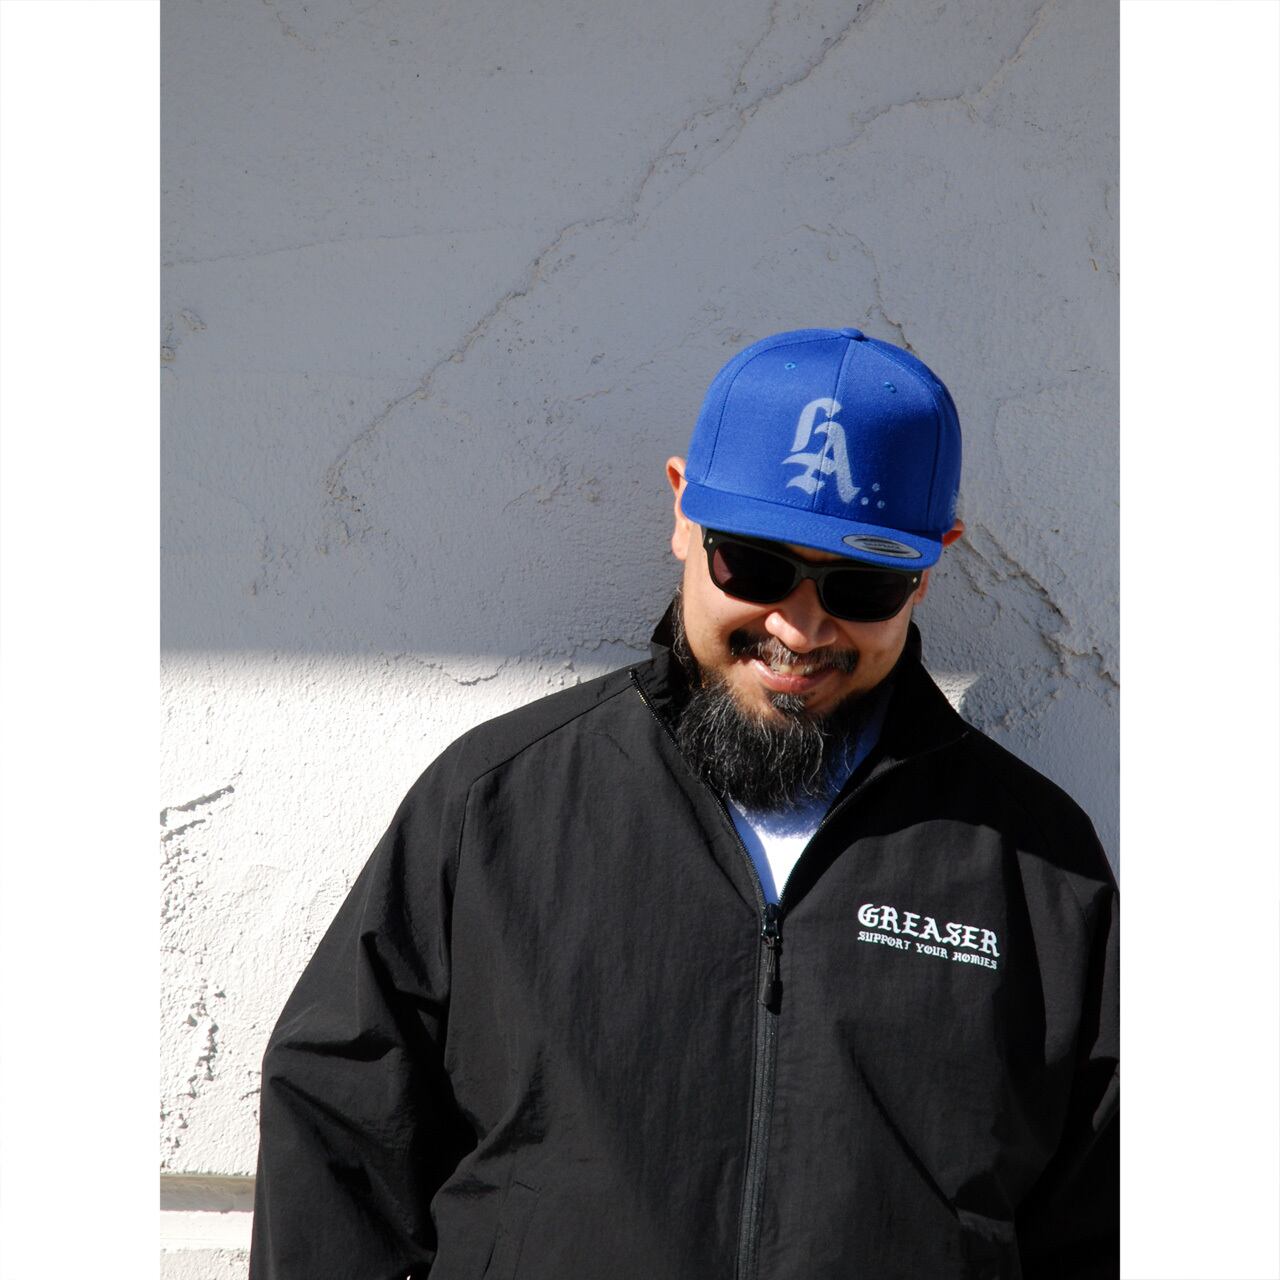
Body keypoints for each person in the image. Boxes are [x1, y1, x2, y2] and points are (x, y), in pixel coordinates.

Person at [249, 327, 1118, 1279]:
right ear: (682, 512)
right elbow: (336, 1143)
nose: (799, 626)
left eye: (863, 583)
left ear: (931, 562)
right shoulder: (497, 805)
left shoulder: (1038, 864)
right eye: (753, 564)